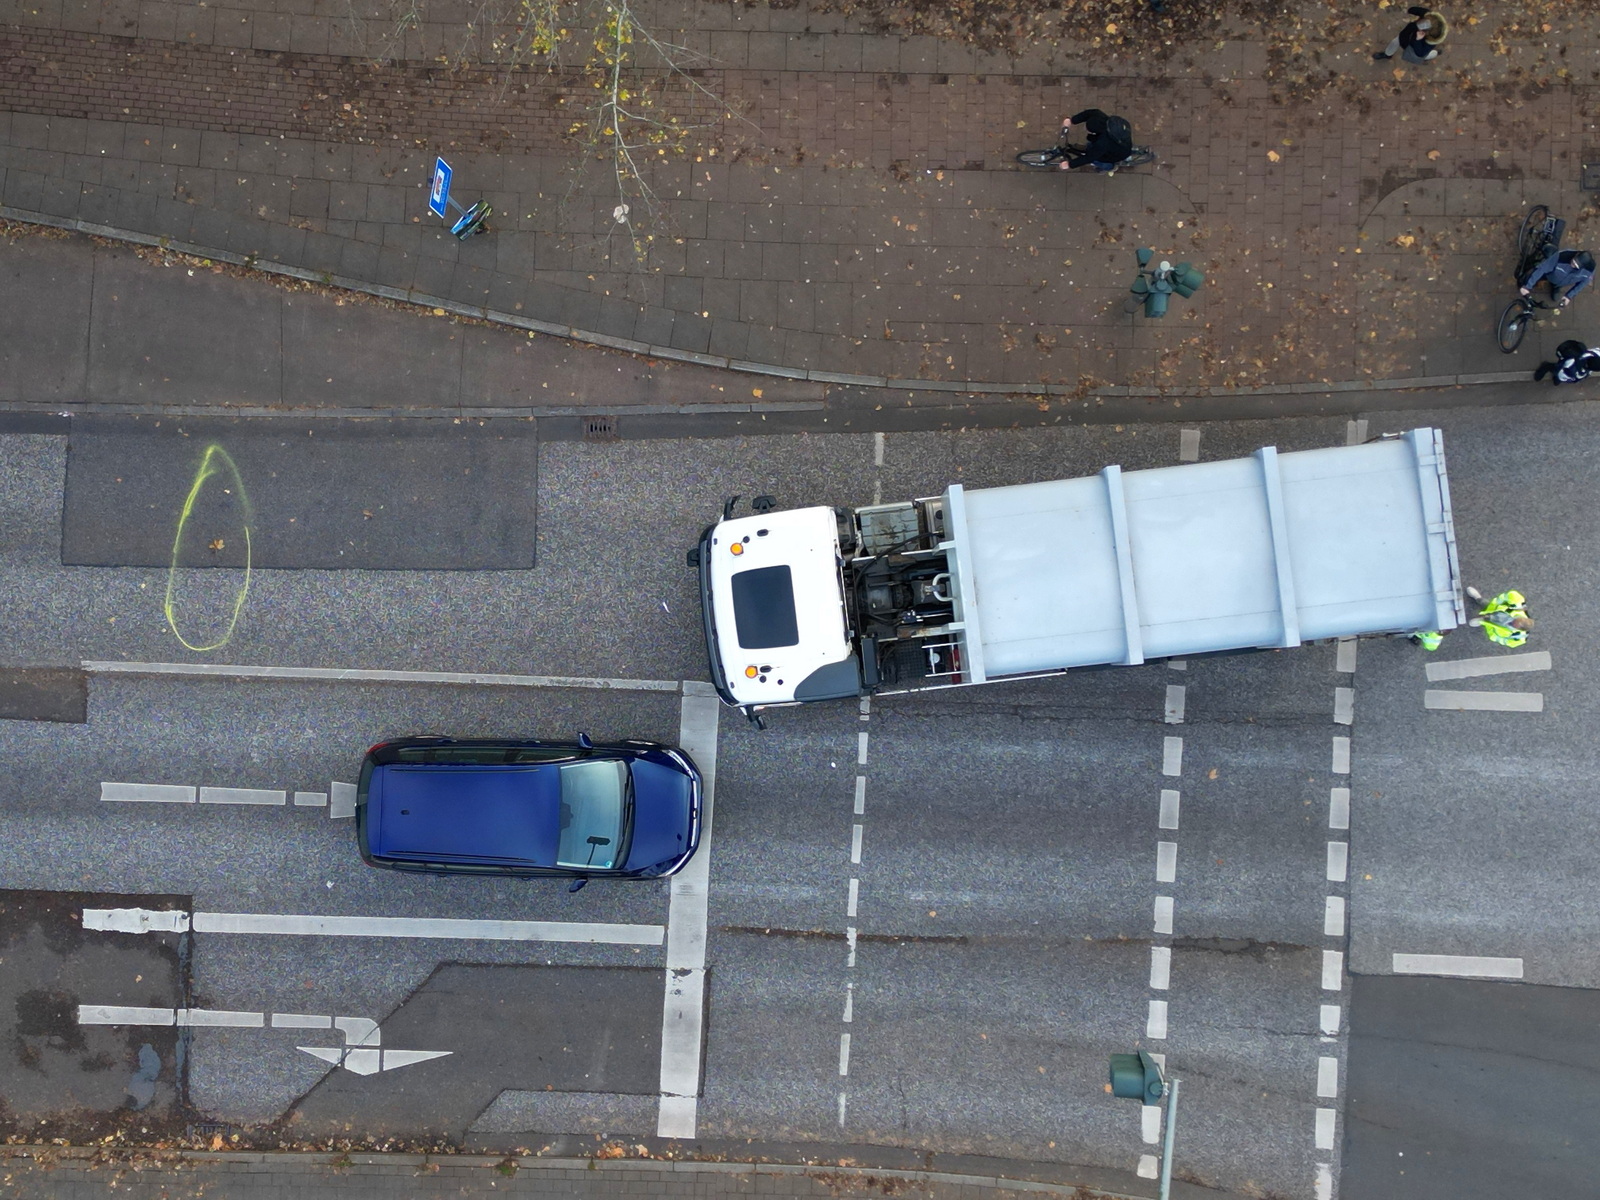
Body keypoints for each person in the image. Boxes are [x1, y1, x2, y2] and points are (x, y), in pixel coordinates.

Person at [1058, 109, 1134, 171]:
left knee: (1097, 160)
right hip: (1124, 143)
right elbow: (1089, 113)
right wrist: (1072, 120)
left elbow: (1089, 157)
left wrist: (1069, 165)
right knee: (1092, 147)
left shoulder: (1102, 144)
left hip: (1119, 153)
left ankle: (1110, 168)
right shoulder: (1100, 117)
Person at [1520, 247, 1596, 308]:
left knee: (1557, 284)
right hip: (1549, 275)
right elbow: (1542, 268)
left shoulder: (1589, 270)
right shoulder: (1562, 256)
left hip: (1561, 282)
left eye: (1576, 266)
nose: (1572, 265)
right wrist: (1528, 286)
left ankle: (1556, 287)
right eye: (1573, 261)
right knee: (1527, 279)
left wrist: (1569, 296)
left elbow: (1582, 284)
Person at [1465, 585, 1534, 648]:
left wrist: (1491, 633)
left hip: (1493, 624)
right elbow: (1511, 595)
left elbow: (1504, 641)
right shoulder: (1518, 606)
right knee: (1483, 603)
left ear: (1519, 629)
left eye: (1514, 625)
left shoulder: (1519, 638)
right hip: (1495, 609)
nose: (1513, 622)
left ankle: (1482, 620)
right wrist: (1496, 603)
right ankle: (1477, 597)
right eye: (1515, 620)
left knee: (1474, 622)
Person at [1373, 7, 1448, 62]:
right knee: (1394, 42)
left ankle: (1436, 53)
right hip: (1405, 35)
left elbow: (1420, 53)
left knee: (1426, 55)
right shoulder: (1430, 17)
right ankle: (1387, 54)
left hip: (1412, 46)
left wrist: (1418, 40)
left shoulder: (1430, 42)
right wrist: (1411, 10)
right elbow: (1417, 10)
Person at [1534, 339, 1600, 384]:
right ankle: (1547, 367)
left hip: (1571, 358)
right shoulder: (1573, 367)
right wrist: (1559, 378)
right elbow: (1562, 374)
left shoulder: (1597, 353)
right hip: (1566, 362)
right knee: (1556, 369)